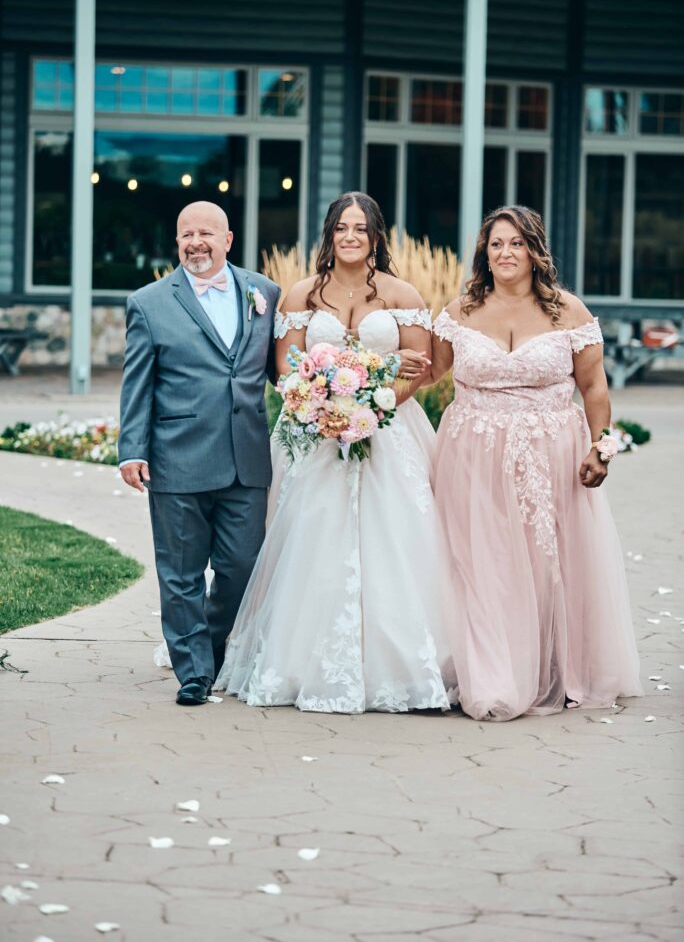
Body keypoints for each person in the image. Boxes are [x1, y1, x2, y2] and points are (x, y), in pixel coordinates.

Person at [214, 191, 456, 713]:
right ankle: (300, 660)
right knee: (311, 535)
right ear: (330, 234)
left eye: (360, 229)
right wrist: (322, 402)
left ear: (375, 237)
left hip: (389, 429)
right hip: (315, 431)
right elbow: (284, 367)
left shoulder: (401, 292)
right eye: (341, 227)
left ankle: (402, 664)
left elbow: (424, 365)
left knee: (398, 538)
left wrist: (382, 397)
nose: (350, 236)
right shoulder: (302, 293)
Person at [418, 205, 642, 720]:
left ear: (535, 250)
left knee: (547, 564)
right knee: (480, 561)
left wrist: (599, 445)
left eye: (516, 243)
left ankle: (552, 666)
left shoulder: (571, 314)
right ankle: (490, 669)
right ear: (484, 253)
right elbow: (431, 372)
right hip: (471, 449)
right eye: (496, 244)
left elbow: (594, 389)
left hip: (550, 451)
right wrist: (372, 385)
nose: (505, 253)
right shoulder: (460, 312)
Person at [119, 200, 280, 705]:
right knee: (181, 572)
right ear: (177, 242)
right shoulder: (148, 303)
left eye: (206, 233)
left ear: (228, 240)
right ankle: (193, 672)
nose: (196, 243)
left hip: (246, 458)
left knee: (240, 567)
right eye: (186, 234)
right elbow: (137, 382)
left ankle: (208, 650)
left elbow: (283, 371)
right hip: (177, 457)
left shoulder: (264, 293)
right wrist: (131, 449)